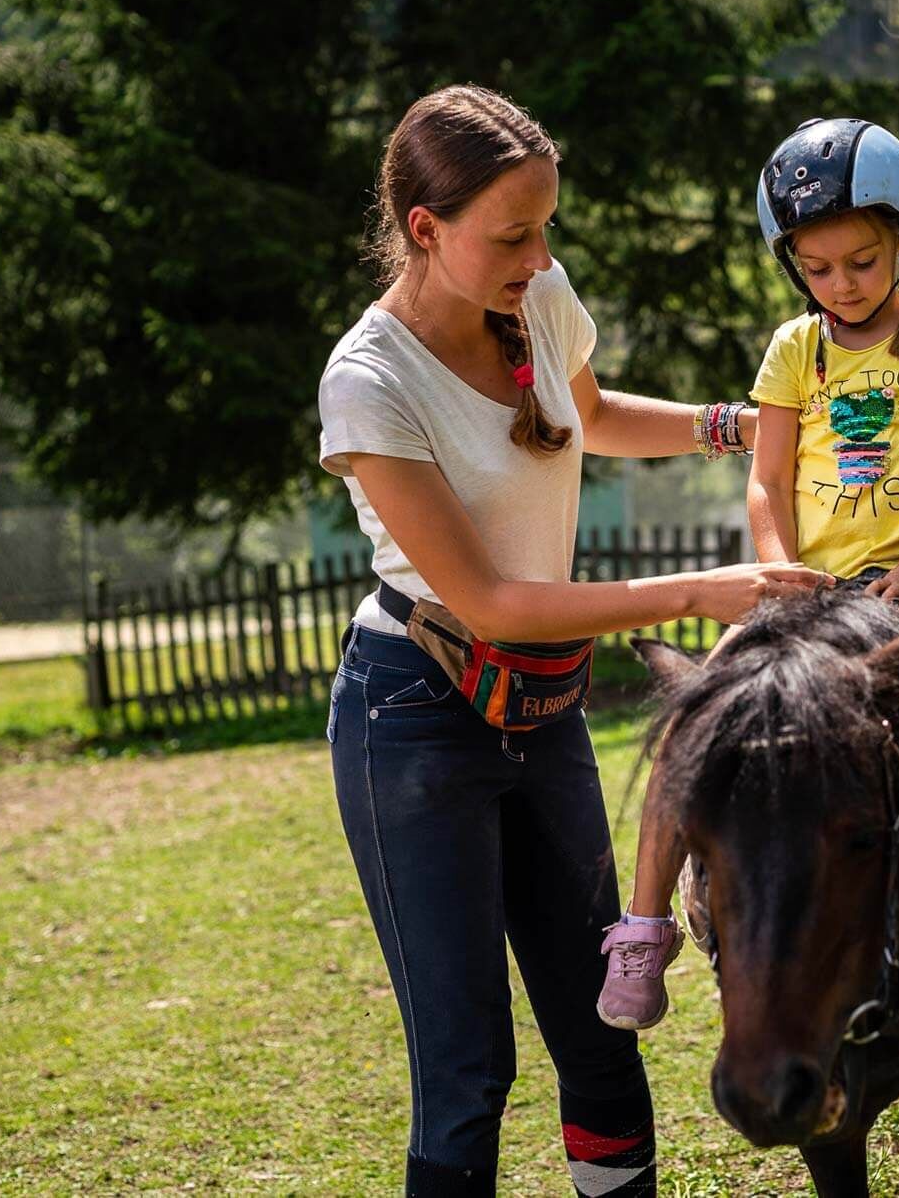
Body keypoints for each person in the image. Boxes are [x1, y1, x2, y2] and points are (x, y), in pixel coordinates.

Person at [317, 83, 830, 1197]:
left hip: (537, 709)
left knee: (601, 1033)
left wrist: (739, 426)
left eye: (545, 224)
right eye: (512, 232)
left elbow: (587, 415)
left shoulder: (533, 293)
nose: (538, 252)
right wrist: (702, 591)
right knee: (467, 1070)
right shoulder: (368, 384)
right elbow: (492, 599)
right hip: (414, 717)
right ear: (423, 227)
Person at [596, 117, 899, 1032]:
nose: (841, 283)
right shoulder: (792, 351)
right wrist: (778, 567)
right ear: (793, 267)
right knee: (693, 715)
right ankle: (643, 924)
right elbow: (767, 475)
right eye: (819, 267)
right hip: (807, 589)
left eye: (862, 261)